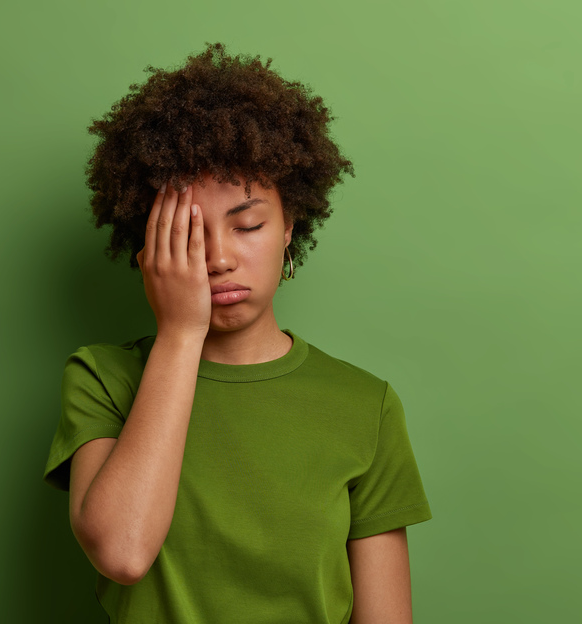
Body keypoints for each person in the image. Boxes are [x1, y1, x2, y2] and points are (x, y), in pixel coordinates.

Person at [44, 43, 432, 624]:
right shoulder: (103, 379)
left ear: (289, 226)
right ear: (148, 242)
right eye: (188, 233)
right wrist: (180, 333)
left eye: (247, 224)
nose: (219, 258)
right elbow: (122, 554)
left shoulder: (366, 406)